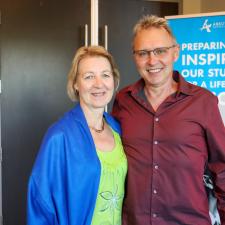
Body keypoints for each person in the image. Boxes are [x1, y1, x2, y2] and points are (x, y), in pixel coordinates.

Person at [112, 15, 225, 225]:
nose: (152, 61)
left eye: (160, 51)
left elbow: (223, 169)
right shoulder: (122, 101)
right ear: (134, 57)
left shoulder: (203, 102)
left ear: (175, 52)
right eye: (143, 53)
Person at [27, 45, 127, 225]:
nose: (99, 84)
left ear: (114, 80)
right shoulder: (59, 137)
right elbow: (40, 203)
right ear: (76, 84)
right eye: (89, 77)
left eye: (105, 75)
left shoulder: (118, 129)